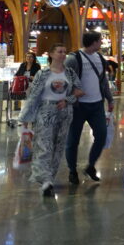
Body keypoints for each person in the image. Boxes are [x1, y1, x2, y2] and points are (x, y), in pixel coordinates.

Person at [18, 43, 83, 196]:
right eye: (59, 52)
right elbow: (33, 95)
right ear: (52, 54)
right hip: (45, 112)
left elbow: (80, 90)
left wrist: (68, 99)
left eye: (64, 52)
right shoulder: (43, 74)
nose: (63, 55)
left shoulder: (70, 73)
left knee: (58, 145)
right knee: (44, 145)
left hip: (64, 112)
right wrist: (26, 117)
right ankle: (45, 179)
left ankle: (50, 177)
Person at [64, 31, 114, 184]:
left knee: (101, 135)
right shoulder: (74, 59)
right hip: (78, 106)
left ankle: (91, 165)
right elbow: (65, 81)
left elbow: (103, 81)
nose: (101, 43)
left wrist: (109, 99)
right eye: (100, 40)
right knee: (73, 140)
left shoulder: (100, 58)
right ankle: (72, 170)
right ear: (94, 42)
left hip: (97, 104)